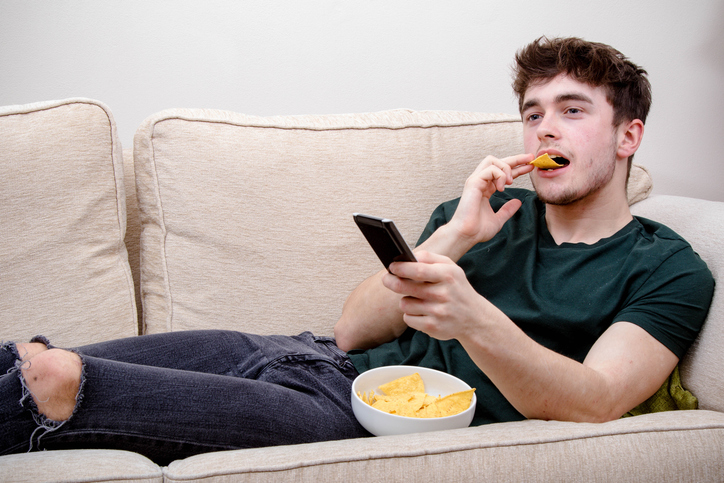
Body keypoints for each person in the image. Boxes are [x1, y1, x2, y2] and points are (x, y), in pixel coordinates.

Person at [1, 37, 714, 465]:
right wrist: (454, 236)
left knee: (60, 380)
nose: (543, 132)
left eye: (572, 110)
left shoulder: (667, 266)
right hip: (312, 355)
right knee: (29, 355)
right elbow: (352, 329)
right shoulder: (484, 214)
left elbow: (596, 400)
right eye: (533, 114)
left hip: (354, 414)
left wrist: (469, 315)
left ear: (629, 136)